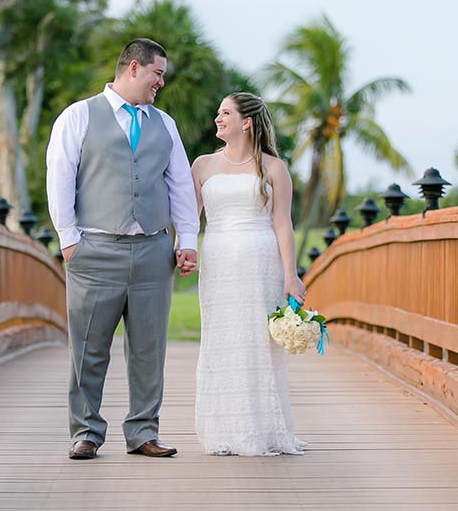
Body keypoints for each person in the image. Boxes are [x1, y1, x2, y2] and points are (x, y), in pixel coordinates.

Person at [46, 38, 199, 461]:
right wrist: (70, 240)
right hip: (94, 248)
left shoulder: (164, 125)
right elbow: (59, 178)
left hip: (153, 250)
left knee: (149, 349)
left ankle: (143, 431)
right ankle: (86, 433)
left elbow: (181, 186)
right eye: (157, 73)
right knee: (88, 349)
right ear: (133, 68)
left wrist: (187, 241)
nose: (161, 83)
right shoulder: (78, 116)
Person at [191, 91, 308, 456]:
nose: (217, 118)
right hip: (218, 261)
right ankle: (223, 429)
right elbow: (187, 219)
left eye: (225, 112)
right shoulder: (202, 166)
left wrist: (291, 275)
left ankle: (261, 429)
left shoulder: (273, 168)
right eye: (218, 111)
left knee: (258, 342)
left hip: (260, 262)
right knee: (222, 339)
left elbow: (282, 225)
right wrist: (184, 251)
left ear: (246, 122)